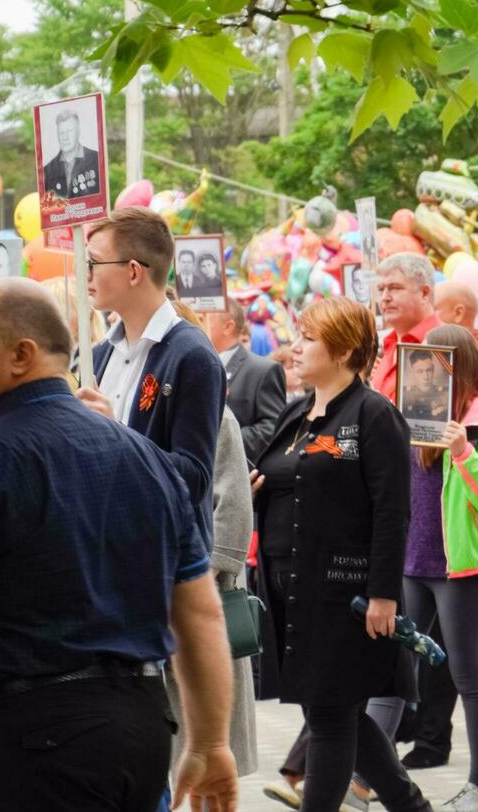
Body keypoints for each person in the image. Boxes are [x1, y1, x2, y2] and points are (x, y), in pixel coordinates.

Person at [0, 278, 237, 811]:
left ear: (22, 355)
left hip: (28, 745)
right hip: (140, 730)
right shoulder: (145, 458)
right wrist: (208, 743)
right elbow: (200, 617)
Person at [251, 297, 431, 812]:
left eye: (308, 337)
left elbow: (392, 512)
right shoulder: (297, 412)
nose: (295, 346)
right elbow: (284, 476)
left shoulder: (375, 414)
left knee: (330, 716)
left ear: (346, 348)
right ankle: (411, 806)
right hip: (292, 593)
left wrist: (382, 595)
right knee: (338, 712)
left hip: (345, 593)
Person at [389, 323, 478, 811]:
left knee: (468, 674)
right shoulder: (416, 414)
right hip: (413, 559)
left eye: (434, 363)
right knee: (393, 671)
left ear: (455, 366)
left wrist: (462, 451)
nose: (424, 372)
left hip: (463, 564)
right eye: (419, 364)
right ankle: (360, 781)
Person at [81, 207, 225, 542]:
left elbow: (194, 478)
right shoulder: (98, 355)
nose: (84, 275)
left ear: (133, 272)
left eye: (92, 263)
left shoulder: (193, 356)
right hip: (104, 546)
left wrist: (116, 434)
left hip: (163, 559)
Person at [165, 298, 259, 780]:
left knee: (206, 738)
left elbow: (235, 502)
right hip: (163, 591)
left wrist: (208, 571)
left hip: (205, 591)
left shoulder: (216, 416)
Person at [204, 300, 287, 461]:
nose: (197, 324)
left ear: (227, 327)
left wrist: (217, 441)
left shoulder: (263, 369)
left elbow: (271, 427)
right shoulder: (197, 365)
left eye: (204, 319)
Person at [373, 253, 442, 400]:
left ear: (424, 293)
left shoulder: (446, 346)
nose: (385, 297)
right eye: (380, 290)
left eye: (395, 288)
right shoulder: (387, 344)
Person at [41, 109, 100, 200]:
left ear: (78, 131)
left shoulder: (98, 160)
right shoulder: (46, 171)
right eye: (61, 133)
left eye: (69, 131)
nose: (65, 137)